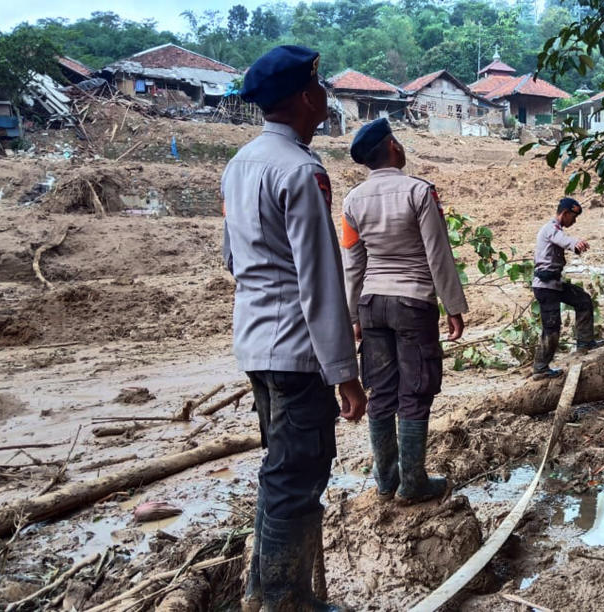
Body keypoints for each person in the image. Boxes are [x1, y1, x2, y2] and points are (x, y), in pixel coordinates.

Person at [221, 45, 366, 612]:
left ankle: (268, 592)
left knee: (279, 471)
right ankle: (283, 600)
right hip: (297, 353)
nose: (326, 94)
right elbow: (320, 278)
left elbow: (232, 257)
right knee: (298, 476)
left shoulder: (239, 164)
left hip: (255, 344)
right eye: (321, 85)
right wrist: (345, 375)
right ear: (308, 98)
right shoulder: (303, 171)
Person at [340, 118, 467, 505]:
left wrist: (353, 319)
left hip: (373, 304)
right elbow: (437, 253)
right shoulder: (420, 192)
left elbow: (353, 264)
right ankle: (412, 483)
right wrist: (453, 306)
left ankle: (385, 480)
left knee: (381, 392)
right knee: (415, 391)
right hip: (413, 303)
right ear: (393, 147)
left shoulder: (352, 201)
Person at [531, 197, 604, 379]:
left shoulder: (555, 229)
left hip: (554, 284)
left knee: (583, 300)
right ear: (564, 214)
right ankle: (540, 368)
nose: (574, 221)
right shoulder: (551, 229)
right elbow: (562, 239)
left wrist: (575, 246)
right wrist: (574, 243)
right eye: (573, 216)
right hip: (546, 287)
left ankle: (585, 341)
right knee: (552, 328)